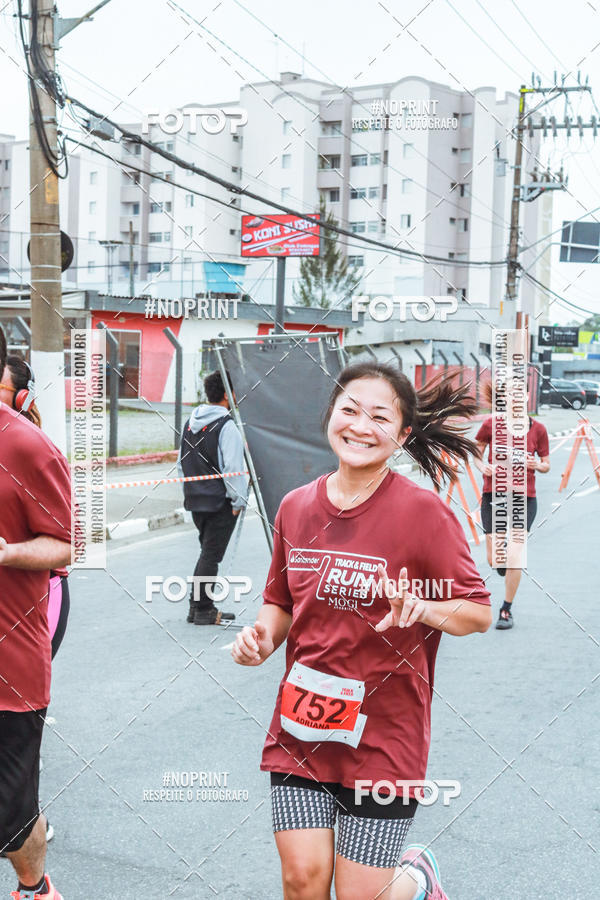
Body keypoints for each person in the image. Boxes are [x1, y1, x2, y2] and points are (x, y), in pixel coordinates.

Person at [232, 362, 492, 900]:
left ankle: (416, 880)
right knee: (302, 880)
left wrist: (420, 608)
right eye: (349, 410)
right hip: (301, 726)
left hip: (385, 737)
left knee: (360, 896)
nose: (360, 425)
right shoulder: (296, 507)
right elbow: (280, 600)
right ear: (330, 416)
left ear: (401, 435)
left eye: (379, 416)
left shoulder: (423, 514)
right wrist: (259, 640)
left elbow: (477, 611)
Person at [0, 327, 71, 899]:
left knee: (8, 817)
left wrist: (5, 552)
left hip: (10, 671)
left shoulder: (26, 447)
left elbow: (64, 545)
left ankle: (35, 884)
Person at [473, 385, 550, 630]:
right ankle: (501, 559)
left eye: (520, 395)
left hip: (524, 498)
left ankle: (506, 609)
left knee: (516, 555)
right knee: (495, 558)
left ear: (527, 397)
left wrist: (536, 464)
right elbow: (476, 452)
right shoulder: (491, 424)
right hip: (493, 495)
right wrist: (481, 466)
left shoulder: (538, 429)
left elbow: (547, 464)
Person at [178, 370, 248, 626]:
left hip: (196, 499)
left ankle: (196, 608)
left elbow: (181, 463)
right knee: (211, 555)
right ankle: (204, 609)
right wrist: (238, 501)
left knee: (207, 552)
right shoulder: (226, 426)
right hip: (220, 502)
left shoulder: (190, 422)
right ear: (228, 396)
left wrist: (188, 493)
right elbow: (233, 469)